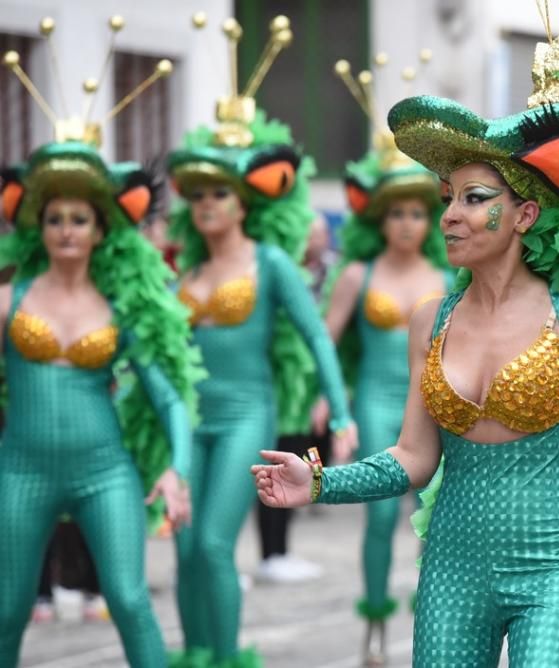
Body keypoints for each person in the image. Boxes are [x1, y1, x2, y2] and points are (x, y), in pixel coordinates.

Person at [254, 15, 559, 666]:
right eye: (448, 197)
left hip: (553, 570)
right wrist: (321, 483)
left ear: (525, 215)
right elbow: (413, 459)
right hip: (451, 571)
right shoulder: (431, 319)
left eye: (475, 199)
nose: (450, 215)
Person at [167, 16, 356, 666]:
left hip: (247, 412)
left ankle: (222, 657)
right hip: (191, 419)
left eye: (221, 191)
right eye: (198, 193)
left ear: (245, 200)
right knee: (186, 547)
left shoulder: (271, 264)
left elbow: (316, 337)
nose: (208, 203)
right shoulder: (185, 274)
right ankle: (193, 655)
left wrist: (344, 410)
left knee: (217, 546)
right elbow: (161, 354)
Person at [0, 137, 199, 668]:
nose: (67, 229)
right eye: (56, 218)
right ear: (38, 229)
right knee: (8, 609)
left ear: (101, 229)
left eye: (80, 219)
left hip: (104, 471)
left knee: (131, 601)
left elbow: (169, 398)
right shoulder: (8, 300)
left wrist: (176, 470)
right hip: (22, 471)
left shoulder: (120, 309)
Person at [320, 101, 451, 661]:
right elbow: (324, 337)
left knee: (436, 518)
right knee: (378, 513)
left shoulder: (449, 276)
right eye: (394, 214)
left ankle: (436, 621)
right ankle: (375, 622)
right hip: (375, 399)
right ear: (381, 220)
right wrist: (331, 402)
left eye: (415, 214)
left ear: (428, 219)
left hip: (435, 404)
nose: (405, 224)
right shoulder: (357, 274)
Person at [254, 214, 338, 585]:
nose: (314, 240)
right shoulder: (274, 268)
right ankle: (273, 553)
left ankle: (281, 549)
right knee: (277, 460)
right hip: (277, 384)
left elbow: (325, 335)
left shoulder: (330, 271)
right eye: (308, 232)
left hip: (305, 384)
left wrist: (329, 394)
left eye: (319, 234)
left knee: (307, 457)